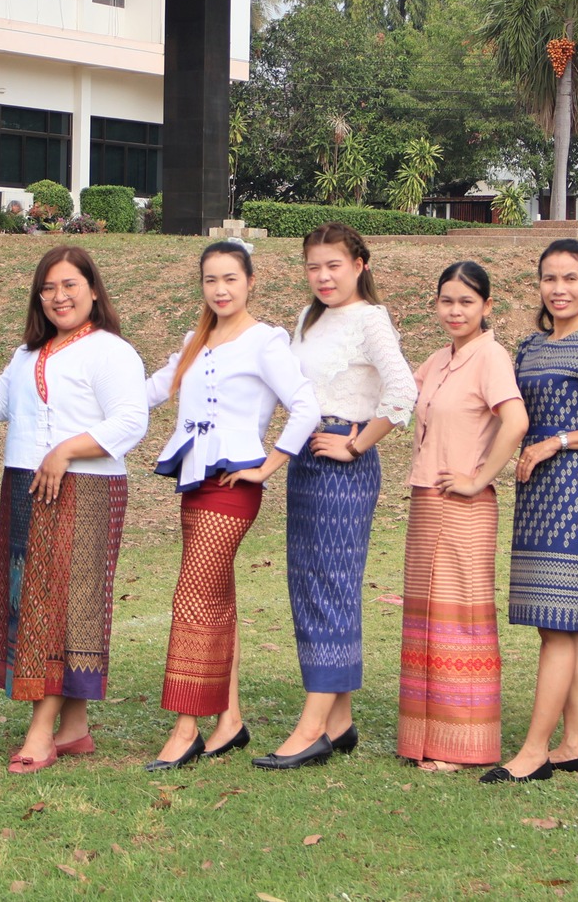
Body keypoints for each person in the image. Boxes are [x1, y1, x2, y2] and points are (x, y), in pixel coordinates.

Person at [145, 240, 322, 771]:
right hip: (194, 482)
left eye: (230, 279)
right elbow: (151, 390)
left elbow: (306, 406)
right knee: (215, 598)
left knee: (193, 598)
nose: (220, 290)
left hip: (233, 485)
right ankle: (230, 721)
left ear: (250, 281)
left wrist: (268, 466)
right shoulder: (195, 339)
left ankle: (186, 729)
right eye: (210, 280)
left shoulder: (265, 341)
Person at [0, 246, 148, 774]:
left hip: (86, 488)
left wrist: (65, 450)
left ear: (93, 289)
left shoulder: (111, 351)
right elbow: (0, 405)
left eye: (70, 285)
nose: (59, 297)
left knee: (63, 606)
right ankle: (74, 727)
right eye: (48, 288)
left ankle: (42, 732)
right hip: (26, 484)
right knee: (38, 602)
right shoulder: (29, 353)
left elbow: (130, 421)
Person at [254, 223, 417, 770]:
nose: (323, 277)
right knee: (309, 585)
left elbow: (403, 391)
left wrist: (356, 443)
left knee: (330, 588)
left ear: (359, 265)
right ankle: (339, 720)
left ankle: (311, 729)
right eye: (313, 266)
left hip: (342, 464)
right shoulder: (309, 316)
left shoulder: (370, 320)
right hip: (305, 460)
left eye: (334, 266)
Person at [484, 240, 578, 784]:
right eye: (550, 278)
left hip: (576, 488)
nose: (559, 289)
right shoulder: (528, 347)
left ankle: (533, 752)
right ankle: (577, 744)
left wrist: (560, 441)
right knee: (564, 626)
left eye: (571, 278)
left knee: (557, 623)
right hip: (535, 491)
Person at [399, 260, 528, 772]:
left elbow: (515, 421)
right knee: (427, 617)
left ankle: (462, 744)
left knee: (461, 620)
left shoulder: (490, 356)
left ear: (486, 306)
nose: (455, 311)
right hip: (427, 501)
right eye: (447, 301)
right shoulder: (438, 359)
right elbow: (397, 399)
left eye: (467, 302)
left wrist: (478, 478)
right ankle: (427, 737)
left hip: (464, 506)